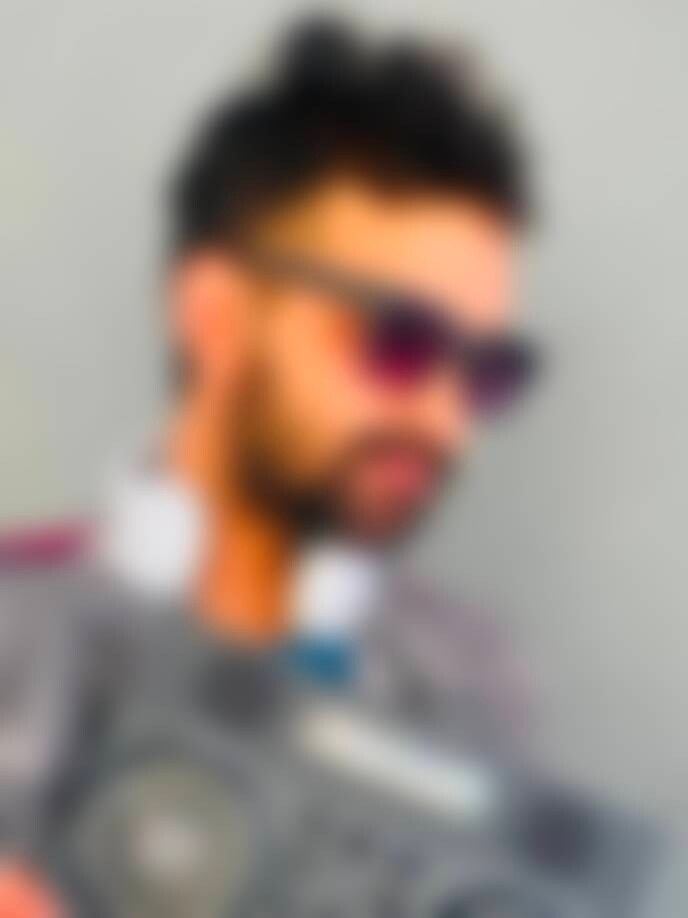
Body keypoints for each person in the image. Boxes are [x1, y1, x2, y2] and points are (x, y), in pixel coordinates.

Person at [0, 17, 543, 915]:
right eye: (400, 342)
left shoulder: (469, 687)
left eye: (487, 371)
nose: (446, 417)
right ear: (215, 315)